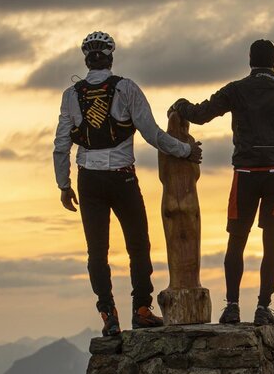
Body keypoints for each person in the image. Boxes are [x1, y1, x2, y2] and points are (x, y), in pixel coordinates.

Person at [54, 31, 202, 336]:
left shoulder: (71, 95)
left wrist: (63, 185)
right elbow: (153, 134)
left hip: (88, 179)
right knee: (138, 245)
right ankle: (141, 310)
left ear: (86, 60)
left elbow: (61, 146)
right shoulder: (126, 88)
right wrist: (186, 150)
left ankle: (108, 314)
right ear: (110, 57)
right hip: (122, 177)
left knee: (97, 251)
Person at [171, 39, 274, 326]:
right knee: (273, 242)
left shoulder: (236, 90)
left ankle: (232, 306)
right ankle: (263, 307)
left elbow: (201, 114)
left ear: (250, 60)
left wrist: (180, 105)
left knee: (236, 240)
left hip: (245, 174)